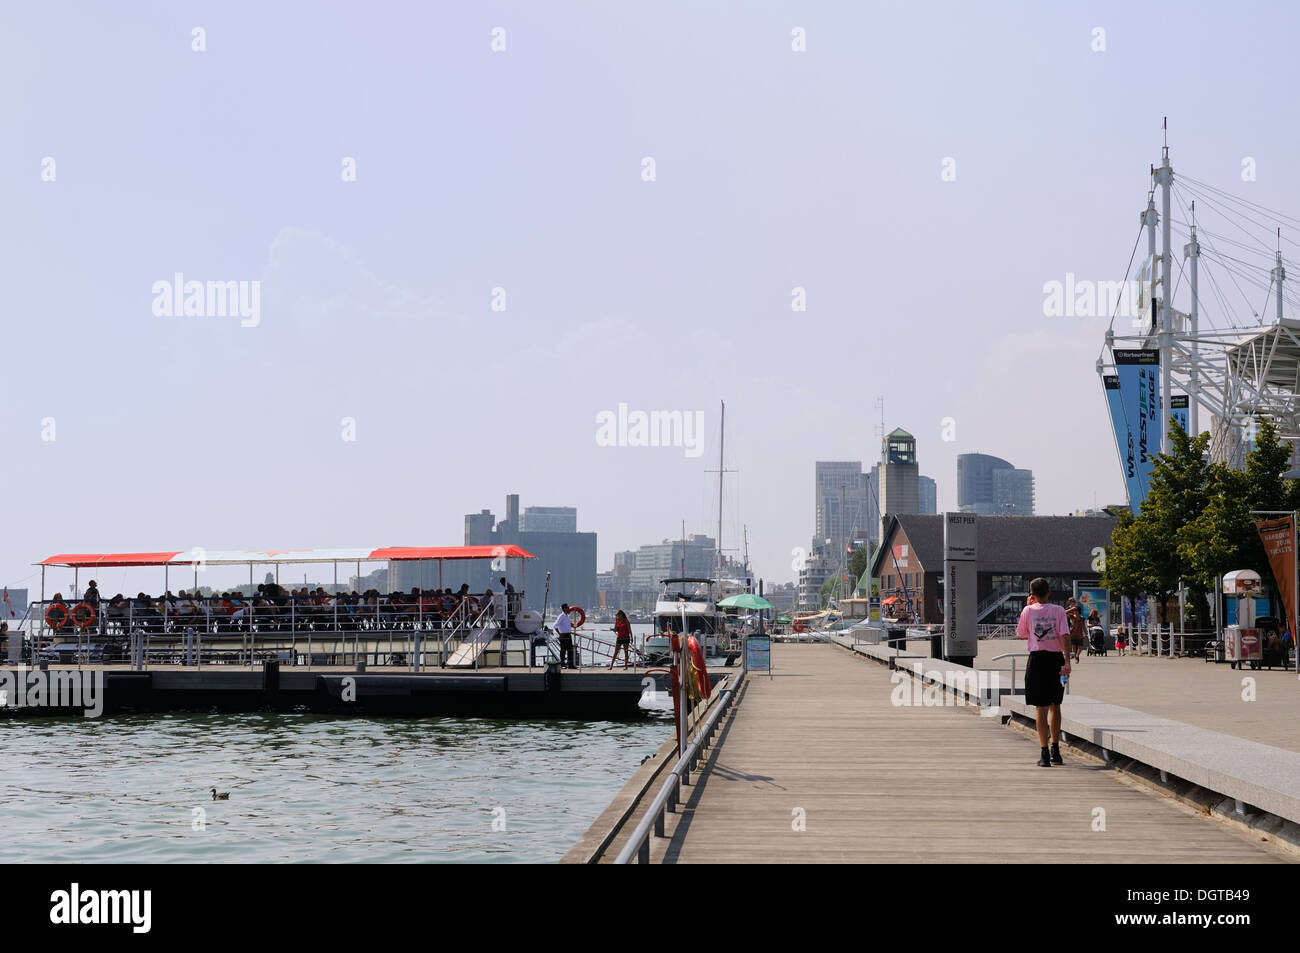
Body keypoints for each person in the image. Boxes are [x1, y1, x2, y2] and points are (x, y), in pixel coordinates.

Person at [1015, 578, 1071, 767]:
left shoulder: (1027, 611)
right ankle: (1056, 749)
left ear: (1032, 594)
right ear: (1049, 592)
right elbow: (1065, 635)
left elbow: (1021, 634)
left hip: (1037, 659)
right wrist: (1067, 662)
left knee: (1041, 707)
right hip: (1056, 660)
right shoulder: (1059, 611)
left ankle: (1044, 752)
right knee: (1056, 704)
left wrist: (1028, 607)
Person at [554, 603, 575, 669]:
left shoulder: (567, 616)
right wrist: (560, 634)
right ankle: (562, 664)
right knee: (563, 650)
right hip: (563, 635)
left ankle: (570, 664)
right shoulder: (561, 616)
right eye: (567, 607)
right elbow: (555, 626)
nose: (568, 608)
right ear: (564, 609)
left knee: (570, 650)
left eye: (568, 607)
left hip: (568, 635)